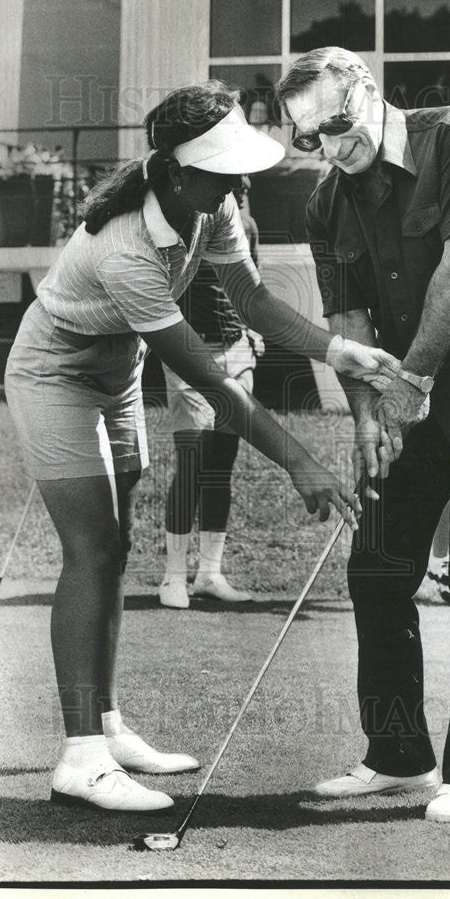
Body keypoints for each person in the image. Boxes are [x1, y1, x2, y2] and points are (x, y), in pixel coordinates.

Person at [4, 80, 401, 814]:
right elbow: (215, 383)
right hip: (52, 376)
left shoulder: (213, 206)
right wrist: (299, 460)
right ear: (177, 171)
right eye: (224, 168)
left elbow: (251, 303)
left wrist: (336, 348)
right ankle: (78, 758)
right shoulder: (124, 248)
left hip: (116, 375)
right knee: (90, 551)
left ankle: (108, 726)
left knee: (117, 549)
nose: (241, 181)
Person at [276, 48, 450, 821]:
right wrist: (368, 413)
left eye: (337, 124)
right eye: (311, 140)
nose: (332, 148)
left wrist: (412, 381)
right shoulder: (325, 203)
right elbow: (346, 318)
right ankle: (398, 758)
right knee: (375, 570)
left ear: (366, 91)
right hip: (411, 400)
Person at [158, 177, 263, 607]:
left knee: (222, 461)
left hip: (236, 348)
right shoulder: (184, 220)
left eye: (243, 189)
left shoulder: (248, 225)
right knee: (192, 460)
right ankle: (172, 577)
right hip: (189, 347)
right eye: (231, 187)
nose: (237, 197)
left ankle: (209, 574)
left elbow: (254, 286)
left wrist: (254, 336)